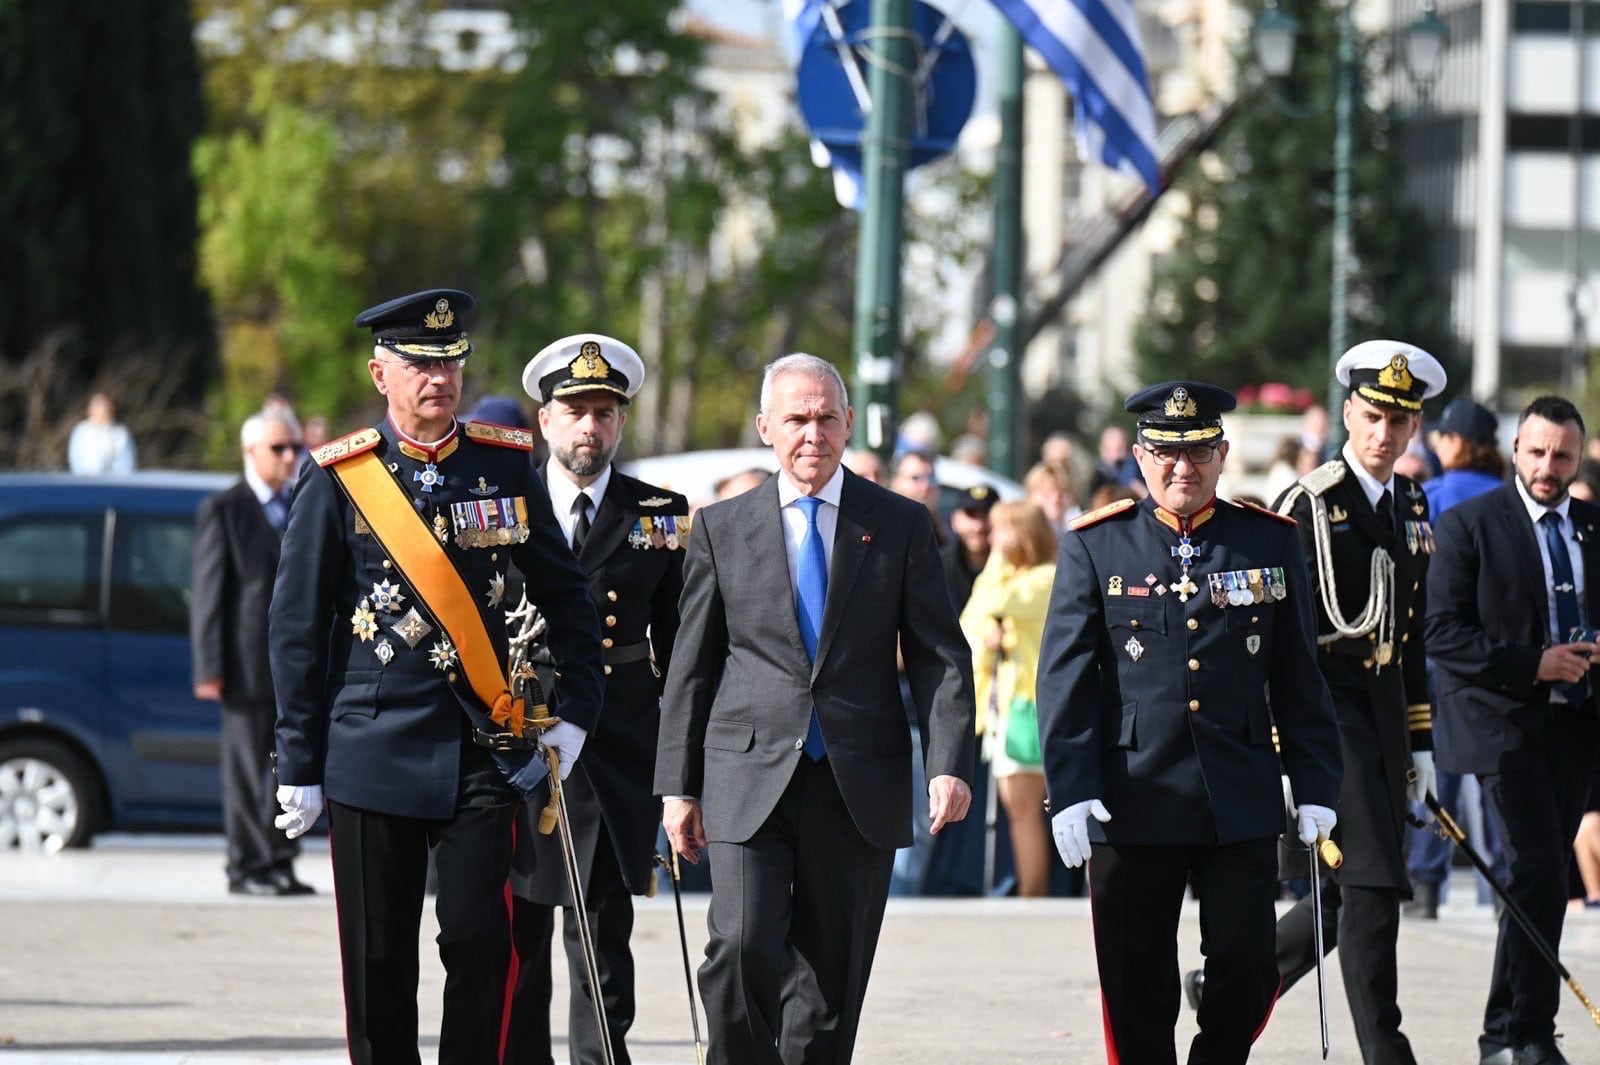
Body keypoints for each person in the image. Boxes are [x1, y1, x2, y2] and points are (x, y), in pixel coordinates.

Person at [269, 289, 604, 1065]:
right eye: (420, 362)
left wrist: (577, 712)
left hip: (480, 747)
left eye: (450, 361)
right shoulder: (341, 476)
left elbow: (567, 598)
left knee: (483, 943)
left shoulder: (502, 462)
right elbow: (295, 630)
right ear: (380, 372)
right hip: (370, 746)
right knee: (379, 962)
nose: (439, 377)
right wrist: (300, 760)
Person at [655, 353, 976, 1065]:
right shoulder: (721, 527)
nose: (813, 433)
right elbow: (692, 664)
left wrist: (949, 762)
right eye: (796, 418)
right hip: (746, 775)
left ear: (849, 424)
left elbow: (939, 654)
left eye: (827, 417)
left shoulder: (898, 524)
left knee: (832, 975)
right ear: (767, 427)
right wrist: (678, 786)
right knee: (740, 945)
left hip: (855, 778)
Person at [1039, 379, 1341, 1064]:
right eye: (1166, 453)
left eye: (1199, 451)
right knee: (1135, 979)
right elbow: (1065, 678)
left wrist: (1317, 782)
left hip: (1236, 793)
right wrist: (1072, 782)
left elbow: (1299, 678)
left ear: (1223, 453)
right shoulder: (1098, 544)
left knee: (1247, 962)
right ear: (1141, 459)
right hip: (1132, 793)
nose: (1184, 468)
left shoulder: (1267, 541)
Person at [1229, 341, 1444, 1065]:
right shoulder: (1310, 503)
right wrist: (1284, 746)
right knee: (1375, 884)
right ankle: (1389, 1051)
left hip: (1383, 709)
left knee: (1346, 888)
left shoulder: (1411, 502)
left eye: (1400, 419)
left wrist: (1421, 741)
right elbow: (1282, 642)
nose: (1385, 433)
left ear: (1416, 428)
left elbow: (1406, 634)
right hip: (1327, 710)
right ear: (1348, 412)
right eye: (1374, 414)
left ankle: (1229, 980)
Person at [504, 334, 688, 1065]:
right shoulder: (503, 500)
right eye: (575, 409)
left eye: (606, 411)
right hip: (522, 735)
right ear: (543, 419)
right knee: (517, 934)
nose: (591, 426)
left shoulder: (657, 513)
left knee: (602, 938)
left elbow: (680, 649)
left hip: (615, 747)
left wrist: (681, 768)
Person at [1426, 395, 1600, 1065]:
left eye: (1562, 455)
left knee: (1546, 875)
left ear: (1578, 457)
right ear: (1515, 450)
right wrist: (1535, 662)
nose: (1548, 466)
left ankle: (1513, 1031)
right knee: (1534, 866)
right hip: (1505, 724)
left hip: (1578, 724)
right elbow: (1444, 632)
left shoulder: (1590, 524)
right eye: (1537, 451)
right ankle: (1521, 1031)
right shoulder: (1473, 523)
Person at [191, 407, 312, 897]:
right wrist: (210, 668)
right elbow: (208, 595)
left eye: (294, 447)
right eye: (278, 448)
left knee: (289, 766)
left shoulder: (300, 502)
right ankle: (246, 866)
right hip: (243, 666)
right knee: (246, 771)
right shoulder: (225, 508)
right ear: (251, 452)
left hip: (291, 667)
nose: (289, 457)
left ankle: (280, 860)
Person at [1405, 395, 1508, 919]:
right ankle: (1507, 884)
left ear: (1454, 443)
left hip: (1439, 656)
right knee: (1500, 774)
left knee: (1438, 772)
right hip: (1502, 660)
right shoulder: (1511, 498)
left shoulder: (1434, 496)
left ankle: (1427, 881)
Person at [960, 501, 1057, 897]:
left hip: (1033, 709)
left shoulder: (1044, 577)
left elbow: (993, 604)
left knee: (1025, 809)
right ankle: (1029, 889)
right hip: (1008, 710)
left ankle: (1034, 893)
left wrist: (997, 562)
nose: (994, 539)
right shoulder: (1011, 578)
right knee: (1017, 810)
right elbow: (969, 626)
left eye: (1003, 531)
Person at [943, 483, 996, 611]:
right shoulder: (937, 566)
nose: (979, 526)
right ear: (954, 521)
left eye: (986, 515)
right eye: (971, 515)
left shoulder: (1018, 566)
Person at [67, 391, 136, 474]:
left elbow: (126, 463)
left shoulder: (120, 434)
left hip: (113, 483)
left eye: (103, 408)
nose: (100, 412)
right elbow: (76, 461)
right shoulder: (81, 432)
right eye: (96, 407)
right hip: (86, 482)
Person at [1024, 461, 1082, 536]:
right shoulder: (1026, 535)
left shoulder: (1076, 532)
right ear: (1031, 495)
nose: (1055, 499)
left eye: (1061, 493)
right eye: (1047, 493)